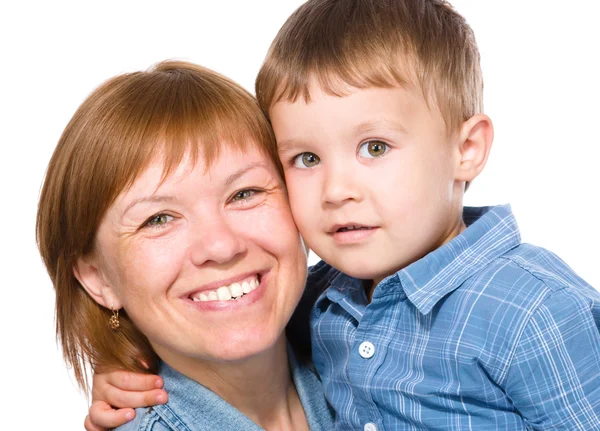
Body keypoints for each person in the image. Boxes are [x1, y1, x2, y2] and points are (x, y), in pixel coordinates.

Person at [87, 0, 600, 430]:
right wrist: (128, 366)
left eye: (375, 147)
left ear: (466, 149)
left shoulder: (534, 312)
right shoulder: (323, 301)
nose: (336, 190)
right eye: (306, 159)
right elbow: (221, 329)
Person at [36, 60, 334, 431]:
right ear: (99, 281)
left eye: (244, 193)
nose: (221, 246)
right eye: (158, 219)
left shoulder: (361, 343)